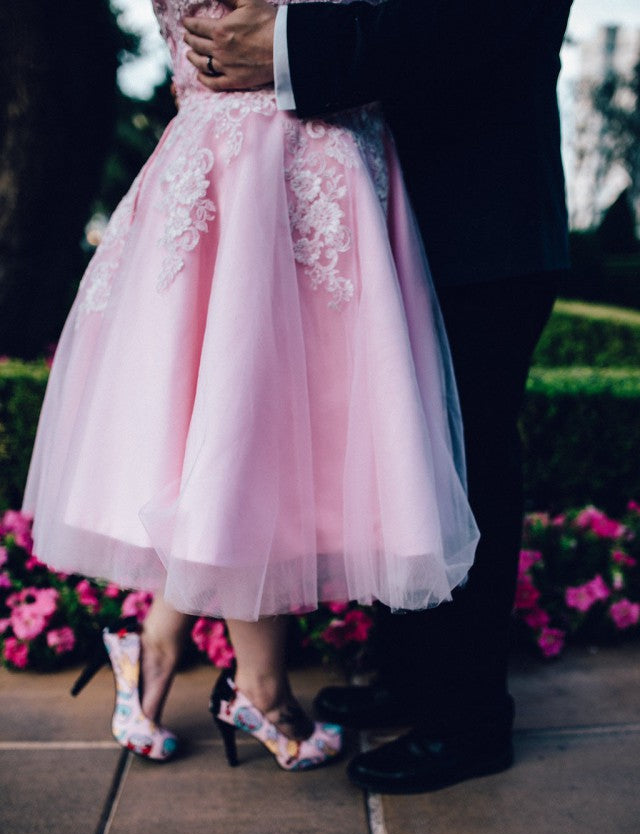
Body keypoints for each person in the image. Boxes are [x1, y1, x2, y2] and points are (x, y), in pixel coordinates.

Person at [21, 0, 479, 770]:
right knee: (250, 435)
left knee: (225, 434)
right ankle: (259, 693)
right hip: (272, 173)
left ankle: (156, 649)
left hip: (258, 165)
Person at [182, 0, 573, 792]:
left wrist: (290, 42)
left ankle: (468, 721)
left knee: (461, 454)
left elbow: (488, 21)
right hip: (381, 194)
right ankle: (416, 679)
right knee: (397, 446)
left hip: (478, 210)